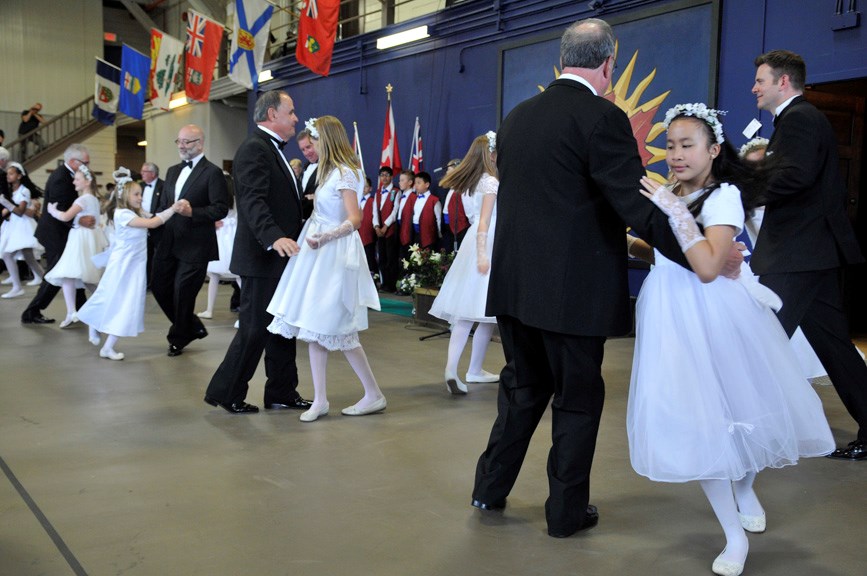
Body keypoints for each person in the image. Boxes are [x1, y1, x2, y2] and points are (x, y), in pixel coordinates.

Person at [472, 18, 712, 539]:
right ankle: (565, 514)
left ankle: (488, 490)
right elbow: (635, 201)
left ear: (562, 59)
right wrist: (697, 250)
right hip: (570, 295)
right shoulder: (603, 118)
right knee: (577, 401)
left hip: (515, 288)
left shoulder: (516, 118)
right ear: (608, 64)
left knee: (521, 390)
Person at [629, 103, 834, 576]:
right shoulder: (670, 193)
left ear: (714, 149)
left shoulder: (722, 198)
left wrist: (672, 209)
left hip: (717, 311)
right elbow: (667, 252)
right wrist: (626, 239)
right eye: (671, 145)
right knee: (694, 422)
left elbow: (706, 267)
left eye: (688, 145)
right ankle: (733, 535)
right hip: (669, 315)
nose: (676, 155)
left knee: (744, 407)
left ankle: (744, 486)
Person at [751, 50, 867, 461]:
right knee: (835, 346)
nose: (755, 88)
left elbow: (794, 177)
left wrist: (742, 189)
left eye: (761, 81)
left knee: (757, 340)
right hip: (812, 252)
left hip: (798, 253)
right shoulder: (801, 118)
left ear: (783, 82)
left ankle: (748, 434)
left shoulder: (799, 118)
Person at [267, 116, 386, 423]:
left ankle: (373, 394)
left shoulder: (346, 172)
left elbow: (355, 218)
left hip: (334, 252)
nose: (310, 148)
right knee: (313, 326)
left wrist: (327, 236)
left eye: (313, 142)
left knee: (339, 327)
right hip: (318, 250)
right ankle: (320, 399)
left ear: (326, 140)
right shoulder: (328, 170)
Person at [204, 89, 311, 414]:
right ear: (271, 115)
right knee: (253, 329)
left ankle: (281, 391)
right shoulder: (255, 149)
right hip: (263, 257)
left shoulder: (271, 149)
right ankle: (226, 392)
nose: (295, 118)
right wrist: (273, 237)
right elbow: (252, 200)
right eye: (290, 112)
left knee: (281, 328)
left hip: (278, 258)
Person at [77, 176, 179, 360]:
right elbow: (153, 223)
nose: (140, 197)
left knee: (120, 300)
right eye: (137, 194)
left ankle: (98, 331)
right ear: (125, 195)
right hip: (124, 265)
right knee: (123, 302)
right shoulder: (122, 214)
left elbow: (153, 216)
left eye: (140, 194)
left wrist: (170, 208)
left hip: (133, 265)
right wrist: (173, 209)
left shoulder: (135, 212)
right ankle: (103, 340)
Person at [429, 133, 501, 394]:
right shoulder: (491, 181)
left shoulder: (472, 182)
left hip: (472, 242)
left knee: (470, 312)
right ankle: (473, 368)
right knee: (484, 310)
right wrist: (483, 255)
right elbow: (484, 221)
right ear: (490, 154)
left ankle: (460, 368)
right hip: (487, 243)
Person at [151, 124, 228, 357]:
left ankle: (178, 337)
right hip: (169, 239)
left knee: (183, 292)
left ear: (200, 143)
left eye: (187, 142)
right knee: (159, 286)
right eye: (179, 141)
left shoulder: (212, 172)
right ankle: (192, 325)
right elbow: (165, 204)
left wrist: (193, 212)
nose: (182, 146)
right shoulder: (172, 170)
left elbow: (221, 209)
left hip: (196, 243)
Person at [21, 144, 95, 324]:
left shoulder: (69, 174)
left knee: (73, 270)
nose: (87, 166)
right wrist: (79, 220)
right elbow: (60, 209)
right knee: (57, 272)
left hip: (63, 231)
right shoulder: (60, 178)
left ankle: (81, 310)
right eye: (85, 163)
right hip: (55, 232)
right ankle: (32, 311)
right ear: (72, 161)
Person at [43, 164, 107, 326]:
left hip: (79, 240)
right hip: (88, 239)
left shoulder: (82, 200)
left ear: (87, 182)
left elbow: (65, 217)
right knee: (85, 277)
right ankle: (101, 304)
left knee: (69, 274)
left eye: (77, 179)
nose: (73, 182)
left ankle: (74, 311)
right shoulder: (94, 199)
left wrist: (52, 211)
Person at [197, 171, 240, 320]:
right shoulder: (236, 198)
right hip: (232, 236)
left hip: (222, 236)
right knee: (238, 276)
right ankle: (248, 310)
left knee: (214, 274)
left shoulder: (220, 199)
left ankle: (209, 310)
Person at [0, 162, 45, 298]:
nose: (8, 176)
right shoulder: (10, 191)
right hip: (13, 225)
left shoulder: (24, 190)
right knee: (29, 257)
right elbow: (13, 210)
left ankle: (17, 287)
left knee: (7, 255)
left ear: (19, 176)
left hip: (22, 226)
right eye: (7, 173)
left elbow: (19, 211)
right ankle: (47, 280)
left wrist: (6, 203)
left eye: (11, 173)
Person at [373, 166, 400, 291]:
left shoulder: (395, 191)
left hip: (390, 230)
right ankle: (384, 284)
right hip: (379, 231)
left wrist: (385, 226)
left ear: (391, 176)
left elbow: (395, 211)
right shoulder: (378, 193)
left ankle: (391, 284)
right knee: (382, 258)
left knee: (391, 258)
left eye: (387, 175)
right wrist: (377, 226)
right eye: (382, 175)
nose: (384, 177)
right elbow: (375, 211)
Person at [139, 162, 164, 289]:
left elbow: (164, 206)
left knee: (158, 256)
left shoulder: (163, 186)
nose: (141, 173)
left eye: (144, 171)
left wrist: (154, 219)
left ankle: (158, 282)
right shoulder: (139, 186)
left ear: (153, 174)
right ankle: (147, 281)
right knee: (145, 255)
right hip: (141, 226)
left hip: (158, 227)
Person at [440, 158, 469, 253]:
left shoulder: (461, 188)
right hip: (449, 227)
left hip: (459, 229)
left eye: (448, 169)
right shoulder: (452, 188)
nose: (447, 172)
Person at [297, 128, 318, 221]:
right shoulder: (305, 167)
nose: (306, 153)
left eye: (308, 147)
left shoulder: (330, 168)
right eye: (303, 150)